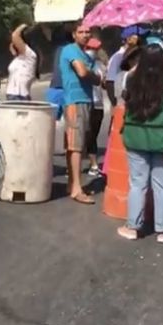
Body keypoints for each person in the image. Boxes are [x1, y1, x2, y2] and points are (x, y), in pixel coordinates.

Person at [117, 43, 163, 243]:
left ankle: (133, 227)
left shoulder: (129, 79)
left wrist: (140, 64)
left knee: (138, 184)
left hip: (135, 136)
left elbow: (129, 75)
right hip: (162, 138)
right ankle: (162, 231)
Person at [60, 23, 100, 204]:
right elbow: (83, 73)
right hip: (75, 101)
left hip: (84, 100)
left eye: (87, 32)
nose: (85, 35)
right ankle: (77, 188)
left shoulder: (84, 54)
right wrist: (96, 77)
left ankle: (72, 185)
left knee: (75, 145)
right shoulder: (71, 50)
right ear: (74, 34)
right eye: (81, 32)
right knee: (76, 146)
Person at [106, 25, 145, 106]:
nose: (142, 39)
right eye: (139, 36)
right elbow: (110, 82)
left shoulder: (141, 55)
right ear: (128, 39)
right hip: (121, 103)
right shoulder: (117, 57)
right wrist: (114, 103)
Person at [85, 38, 106, 177]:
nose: (92, 51)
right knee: (86, 135)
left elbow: (104, 84)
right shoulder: (80, 63)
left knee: (92, 135)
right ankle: (92, 164)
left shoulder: (100, 65)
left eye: (95, 49)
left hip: (97, 103)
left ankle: (92, 163)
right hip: (86, 102)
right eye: (89, 48)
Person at [6, 24, 39, 101]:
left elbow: (14, 35)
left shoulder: (30, 55)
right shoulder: (20, 58)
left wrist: (24, 25)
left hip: (20, 96)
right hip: (12, 95)